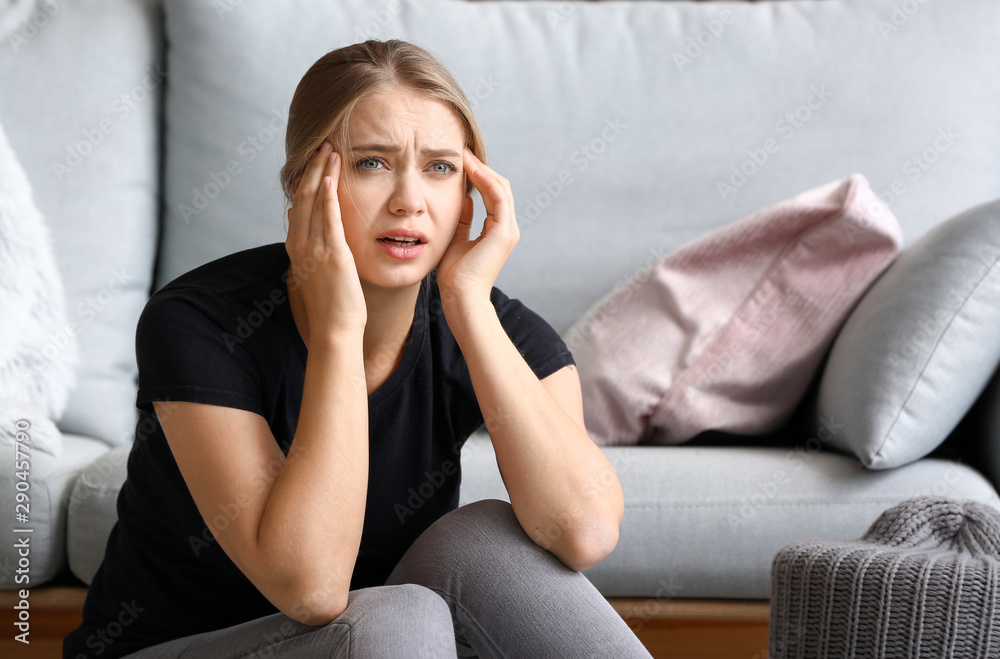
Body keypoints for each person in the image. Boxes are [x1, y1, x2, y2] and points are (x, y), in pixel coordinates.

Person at [63, 39, 652, 659]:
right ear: (306, 182)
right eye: (373, 162)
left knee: (483, 538)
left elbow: (583, 532)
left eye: (441, 167)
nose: (409, 199)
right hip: (182, 648)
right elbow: (312, 590)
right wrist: (340, 327)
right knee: (396, 616)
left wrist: (469, 302)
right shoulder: (198, 322)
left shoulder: (494, 326)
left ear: (471, 197)